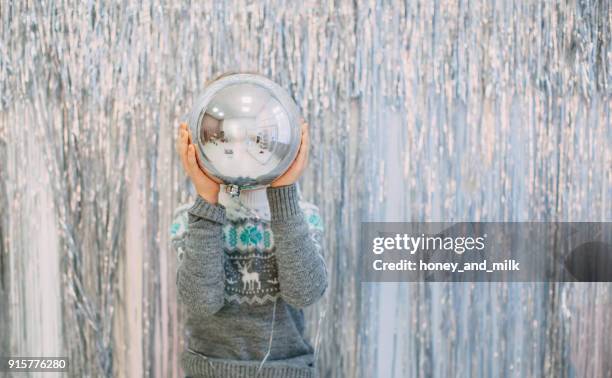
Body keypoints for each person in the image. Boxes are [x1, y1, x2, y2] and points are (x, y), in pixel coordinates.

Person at [171, 120, 327, 378]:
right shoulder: (193, 219)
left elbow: (305, 294)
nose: (241, 145)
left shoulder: (302, 217)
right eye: (225, 135)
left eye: (254, 133)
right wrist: (207, 201)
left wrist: (283, 194)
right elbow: (201, 302)